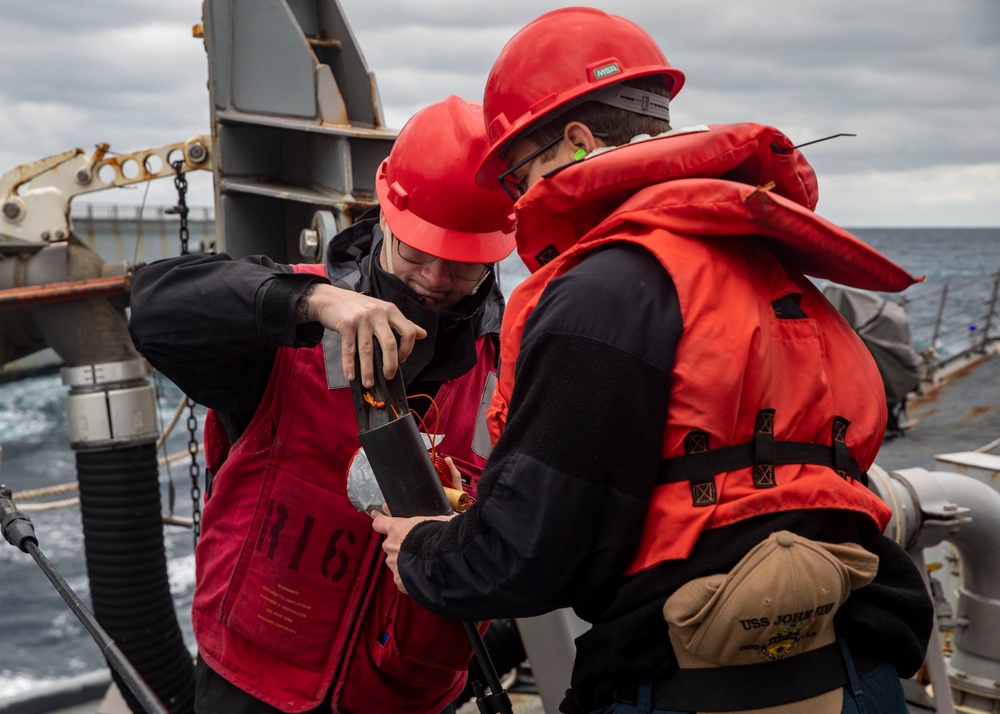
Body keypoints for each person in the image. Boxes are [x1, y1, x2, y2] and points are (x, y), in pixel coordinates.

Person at [372, 8, 934, 714]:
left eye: (518, 176)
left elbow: (525, 555)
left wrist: (422, 550)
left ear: (575, 142)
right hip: (857, 674)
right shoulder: (765, 265)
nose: (519, 204)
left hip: (690, 685)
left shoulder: (605, 289)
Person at [127, 95, 515, 713]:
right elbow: (154, 308)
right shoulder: (286, 320)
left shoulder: (510, 363)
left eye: (465, 265)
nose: (438, 279)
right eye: (418, 252)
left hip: (407, 694)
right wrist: (311, 303)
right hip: (253, 686)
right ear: (385, 214)